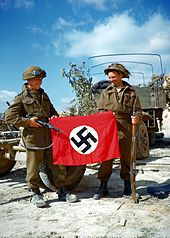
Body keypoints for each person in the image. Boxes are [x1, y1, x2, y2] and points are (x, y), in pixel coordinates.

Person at [5, 66, 79, 207]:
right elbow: (10, 117)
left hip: (49, 137)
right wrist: (28, 122)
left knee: (57, 164)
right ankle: (35, 193)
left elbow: (52, 112)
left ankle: (62, 190)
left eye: (40, 79)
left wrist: (55, 116)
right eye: (35, 79)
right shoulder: (21, 98)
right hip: (33, 138)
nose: (39, 81)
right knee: (33, 167)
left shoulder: (44, 95)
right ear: (28, 80)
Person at [93, 63, 142, 199]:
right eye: (109, 77)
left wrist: (136, 118)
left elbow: (137, 110)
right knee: (107, 158)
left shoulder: (131, 92)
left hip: (126, 128)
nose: (111, 80)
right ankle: (103, 186)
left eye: (113, 77)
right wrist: (106, 116)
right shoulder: (105, 92)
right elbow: (100, 111)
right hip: (109, 129)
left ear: (121, 75)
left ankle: (127, 186)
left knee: (127, 158)